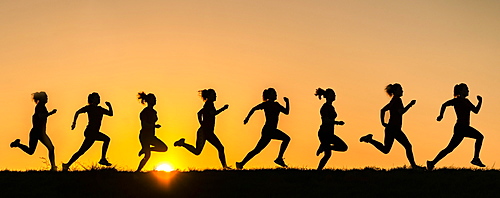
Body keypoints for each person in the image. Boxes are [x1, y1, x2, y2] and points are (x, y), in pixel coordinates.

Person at [360, 83, 420, 169]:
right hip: (394, 128)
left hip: (390, 128)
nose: (402, 91)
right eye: (400, 89)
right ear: (395, 91)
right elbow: (401, 112)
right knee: (408, 146)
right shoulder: (397, 100)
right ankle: (414, 166)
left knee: (386, 149)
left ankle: (369, 139)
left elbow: (383, 110)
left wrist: (383, 123)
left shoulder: (393, 100)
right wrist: (410, 105)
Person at [427, 83, 485, 170]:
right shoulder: (456, 100)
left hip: (463, 128)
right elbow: (444, 104)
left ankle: (432, 163)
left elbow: (476, 111)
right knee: (479, 136)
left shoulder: (467, 101)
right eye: (466, 89)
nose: (468, 91)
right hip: (461, 127)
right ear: (461, 91)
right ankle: (475, 158)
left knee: (449, 148)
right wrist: (441, 115)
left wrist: (480, 102)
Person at [174, 89, 230, 169]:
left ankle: (182, 143)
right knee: (219, 148)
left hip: (207, 131)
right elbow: (212, 113)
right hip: (204, 132)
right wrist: (223, 108)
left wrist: (201, 123)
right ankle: (224, 166)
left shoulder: (209, 104)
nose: (216, 96)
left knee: (200, 151)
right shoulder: (208, 105)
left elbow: (199, 113)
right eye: (214, 94)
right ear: (209, 96)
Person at [236, 88, 290, 169]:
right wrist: (247, 118)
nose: (276, 94)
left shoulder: (277, 105)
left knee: (257, 150)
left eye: (275, 93)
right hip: (268, 130)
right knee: (286, 139)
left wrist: (287, 102)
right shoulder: (266, 104)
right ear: (269, 95)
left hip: (271, 130)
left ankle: (241, 164)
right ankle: (279, 158)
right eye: (273, 93)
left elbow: (286, 112)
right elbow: (254, 108)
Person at [63, 92, 113, 171]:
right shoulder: (89, 108)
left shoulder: (100, 109)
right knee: (106, 139)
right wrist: (74, 123)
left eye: (99, 97)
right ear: (92, 99)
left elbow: (110, 114)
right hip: (90, 132)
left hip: (94, 132)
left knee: (81, 151)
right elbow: (77, 112)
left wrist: (110, 106)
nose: (99, 99)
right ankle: (102, 159)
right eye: (97, 97)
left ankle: (67, 165)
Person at [10, 91, 57, 171]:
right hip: (38, 132)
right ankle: (53, 167)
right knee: (51, 148)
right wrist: (50, 113)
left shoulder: (42, 107)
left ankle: (18, 144)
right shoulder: (39, 107)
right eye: (46, 97)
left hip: (38, 132)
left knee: (31, 151)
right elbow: (40, 116)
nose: (47, 98)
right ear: (42, 99)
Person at [314, 88, 348, 170]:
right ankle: (318, 170)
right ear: (328, 96)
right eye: (333, 94)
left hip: (329, 133)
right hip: (324, 133)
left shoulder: (331, 107)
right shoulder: (325, 107)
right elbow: (325, 120)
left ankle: (324, 147)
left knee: (341, 148)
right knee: (329, 154)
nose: (335, 96)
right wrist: (337, 122)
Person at [136, 92, 168, 172]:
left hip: (151, 136)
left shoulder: (154, 112)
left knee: (164, 148)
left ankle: (146, 149)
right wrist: (154, 126)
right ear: (149, 101)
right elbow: (144, 125)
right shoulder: (144, 112)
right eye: (153, 99)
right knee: (147, 155)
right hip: (144, 136)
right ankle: (138, 171)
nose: (155, 101)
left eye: (155, 99)